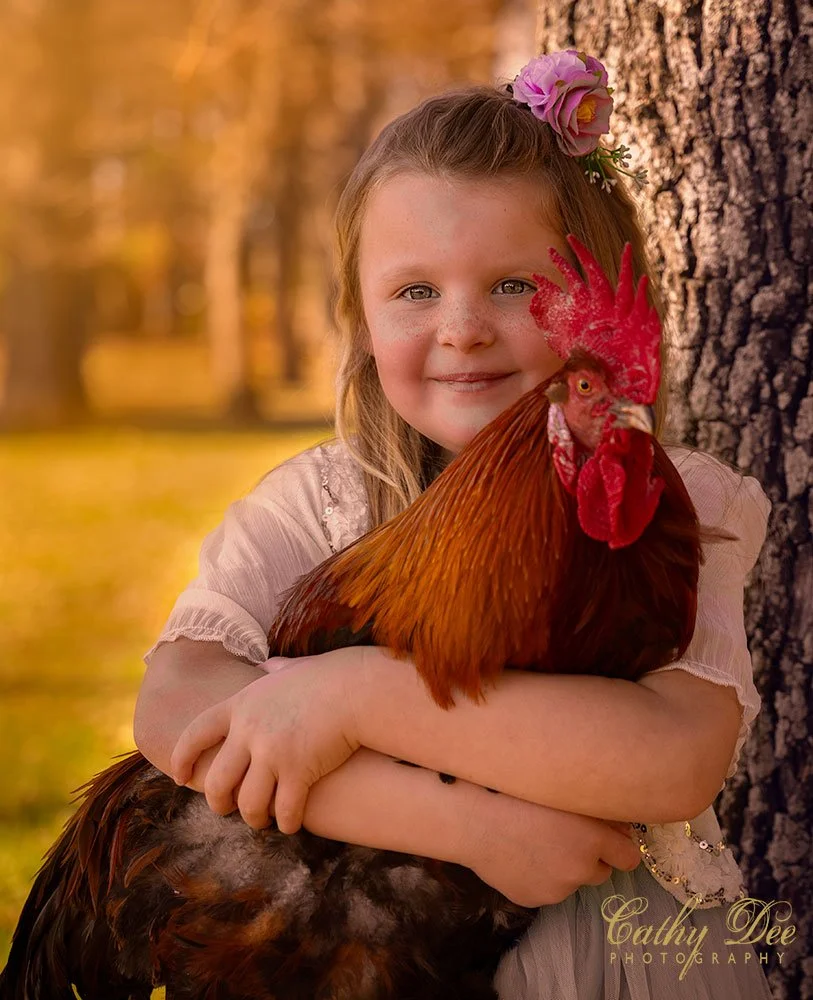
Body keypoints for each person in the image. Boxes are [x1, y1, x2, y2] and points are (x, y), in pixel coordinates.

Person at [134, 50, 776, 1000]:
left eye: (516, 286)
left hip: (619, 955)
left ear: (601, 303)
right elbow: (174, 707)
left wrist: (353, 696)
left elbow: (675, 760)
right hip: (373, 951)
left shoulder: (679, 502)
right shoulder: (319, 504)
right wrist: (473, 828)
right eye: (416, 291)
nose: (464, 328)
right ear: (359, 316)